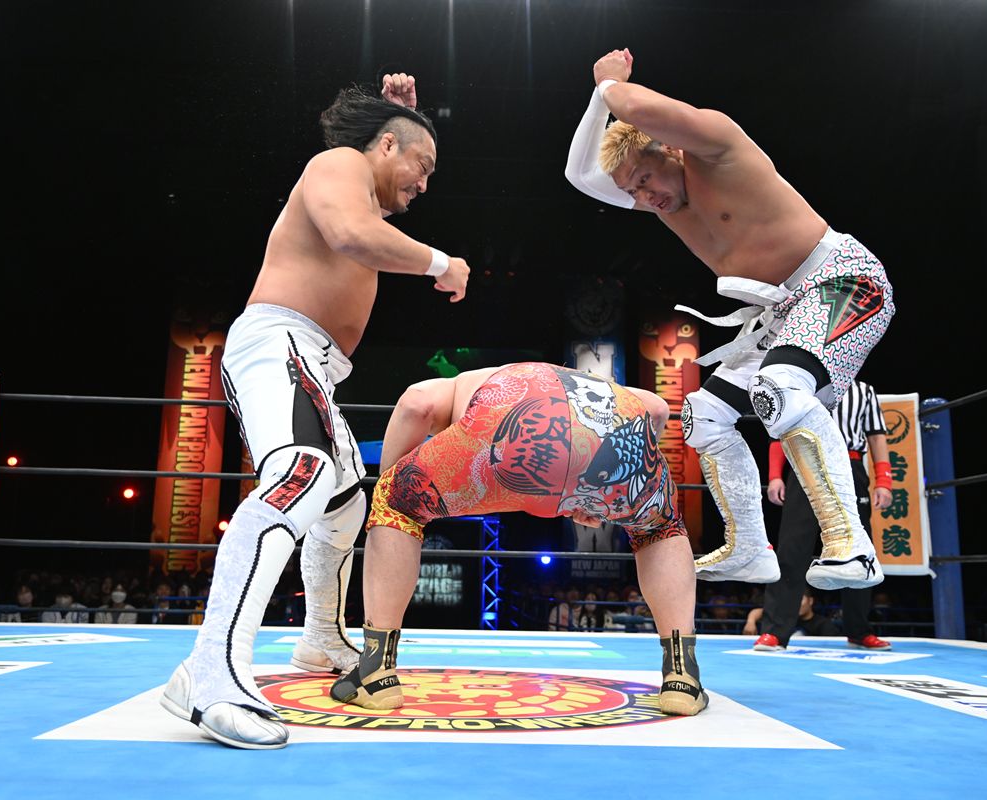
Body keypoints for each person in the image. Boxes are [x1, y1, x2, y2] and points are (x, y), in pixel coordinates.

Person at [160, 72, 470, 750]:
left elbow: (371, 211)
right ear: (385, 147)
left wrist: (401, 120)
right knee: (301, 474)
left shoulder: (366, 182)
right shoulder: (338, 166)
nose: (427, 183)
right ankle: (209, 672)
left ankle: (321, 636)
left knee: (346, 502)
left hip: (314, 363)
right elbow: (353, 233)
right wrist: (440, 263)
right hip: (280, 341)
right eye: (424, 164)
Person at [565, 49, 894, 591]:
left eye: (646, 179)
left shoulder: (718, 146)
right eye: (632, 192)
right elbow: (579, 174)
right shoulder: (662, 201)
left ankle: (852, 547)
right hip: (783, 310)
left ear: (669, 149)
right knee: (705, 414)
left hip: (843, 281)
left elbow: (635, 108)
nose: (645, 198)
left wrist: (609, 85)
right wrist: (598, 103)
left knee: (779, 386)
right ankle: (749, 549)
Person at [330, 363, 707, 717]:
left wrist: (393, 488)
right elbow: (657, 410)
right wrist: (598, 494)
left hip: (511, 425)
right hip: (613, 431)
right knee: (659, 528)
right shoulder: (584, 381)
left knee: (395, 502)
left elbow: (416, 404)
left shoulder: (455, 386)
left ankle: (376, 671)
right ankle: (682, 677)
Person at [754, 379, 894, 650]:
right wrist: (774, 476)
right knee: (792, 548)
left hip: (852, 465)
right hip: (806, 461)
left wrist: (884, 481)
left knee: (857, 549)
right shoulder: (803, 383)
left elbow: (876, 436)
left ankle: (858, 630)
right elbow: (780, 430)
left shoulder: (865, 391)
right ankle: (775, 632)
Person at [744, 590, 840, 645]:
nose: (796, 604)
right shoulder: (787, 618)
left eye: (800, 599)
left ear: (810, 601)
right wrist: (750, 622)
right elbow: (761, 611)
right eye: (794, 600)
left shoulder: (823, 624)